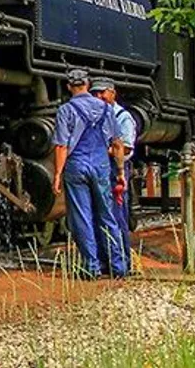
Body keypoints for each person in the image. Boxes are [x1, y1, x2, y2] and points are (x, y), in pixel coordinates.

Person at [53, 68, 127, 278]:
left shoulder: (65, 110)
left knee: (82, 217)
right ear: (88, 84)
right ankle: (118, 267)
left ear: (69, 87)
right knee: (107, 216)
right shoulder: (106, 109)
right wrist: (120, 171)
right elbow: (118, 143)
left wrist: (57, 174)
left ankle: (91, 268)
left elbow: (61, 146)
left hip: (76, 166)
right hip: (101, 165)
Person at [91, 77, 136, 270]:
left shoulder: (122, 117)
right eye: (95, 93)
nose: (99, 96)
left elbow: (124, 149)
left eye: (103, 92)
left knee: (116, 217)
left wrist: (97, 148)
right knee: (99, 217)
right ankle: (105, 260)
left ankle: (123, 262)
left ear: (113, 93)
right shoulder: (94, 116)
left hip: (114, 169)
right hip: (100, 168)